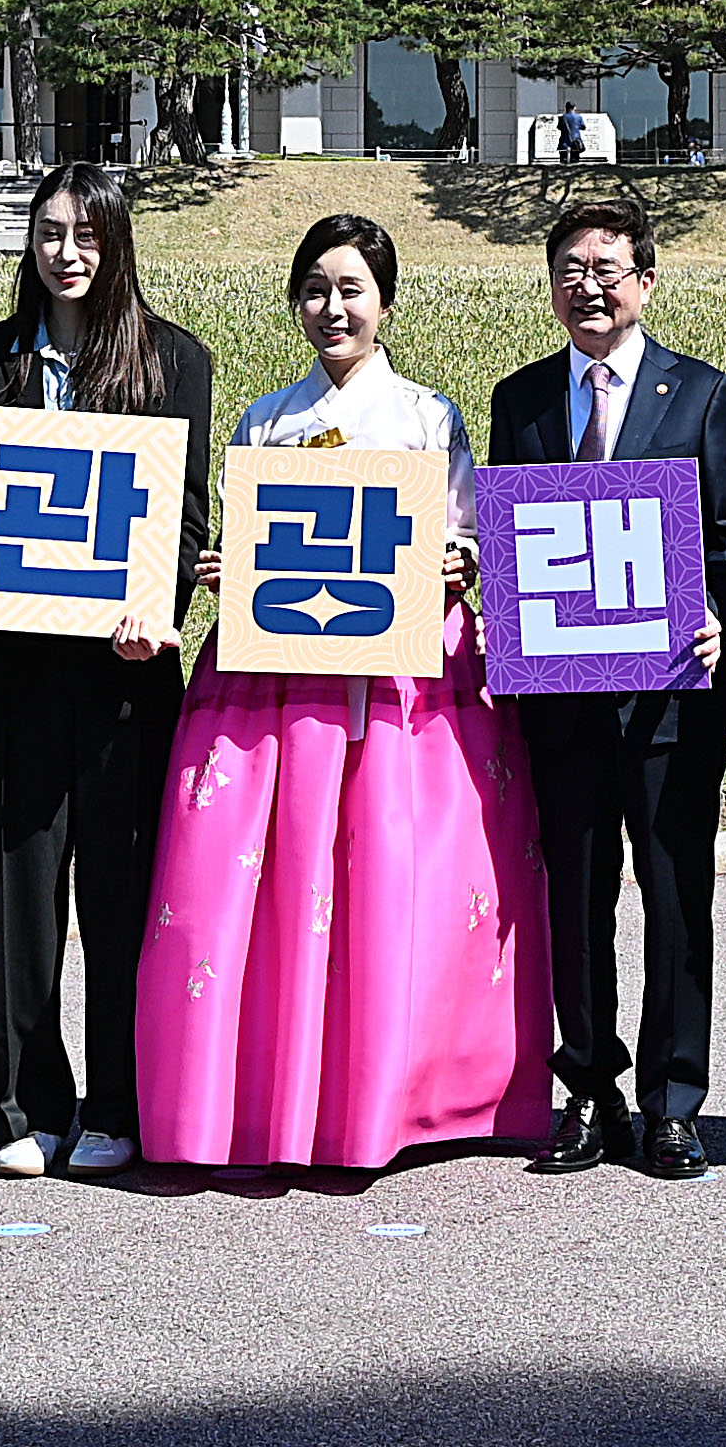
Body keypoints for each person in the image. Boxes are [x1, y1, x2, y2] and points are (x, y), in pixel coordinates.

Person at [137, 210, 545, 1173]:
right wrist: (225, 571)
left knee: (389, 885)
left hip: (403, 687)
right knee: (278, 886)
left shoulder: (428, 417)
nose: (332, 307)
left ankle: (397, 1102)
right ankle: (265, 1099)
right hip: (282, 687)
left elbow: (473, 536)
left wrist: (458, 558)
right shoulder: (265, 421)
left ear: (388, 303)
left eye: (351, 288)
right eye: (315, 288)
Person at [0, 163, 218, 1179]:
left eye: (87, 234)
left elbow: (185, 511)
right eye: (50, 231)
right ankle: (21, 1102)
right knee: (22, 898)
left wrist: (163, 614)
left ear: (118, 243)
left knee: (117, 896)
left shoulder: (173, 361)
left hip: (125, 679)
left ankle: (115, 1100)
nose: (66, 251)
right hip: (14, 672)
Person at [481, 195, 726, 1182]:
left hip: (674, 695)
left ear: (645, 279)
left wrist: (720, 607)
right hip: (560, 701)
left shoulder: (704, 394)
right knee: (576, 899)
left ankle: (673, 1103)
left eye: (608, 267)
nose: (588, 286)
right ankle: (588, 1088)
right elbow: (508, 535)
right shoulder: (521, 400)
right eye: (569, 269)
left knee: (676, 899)